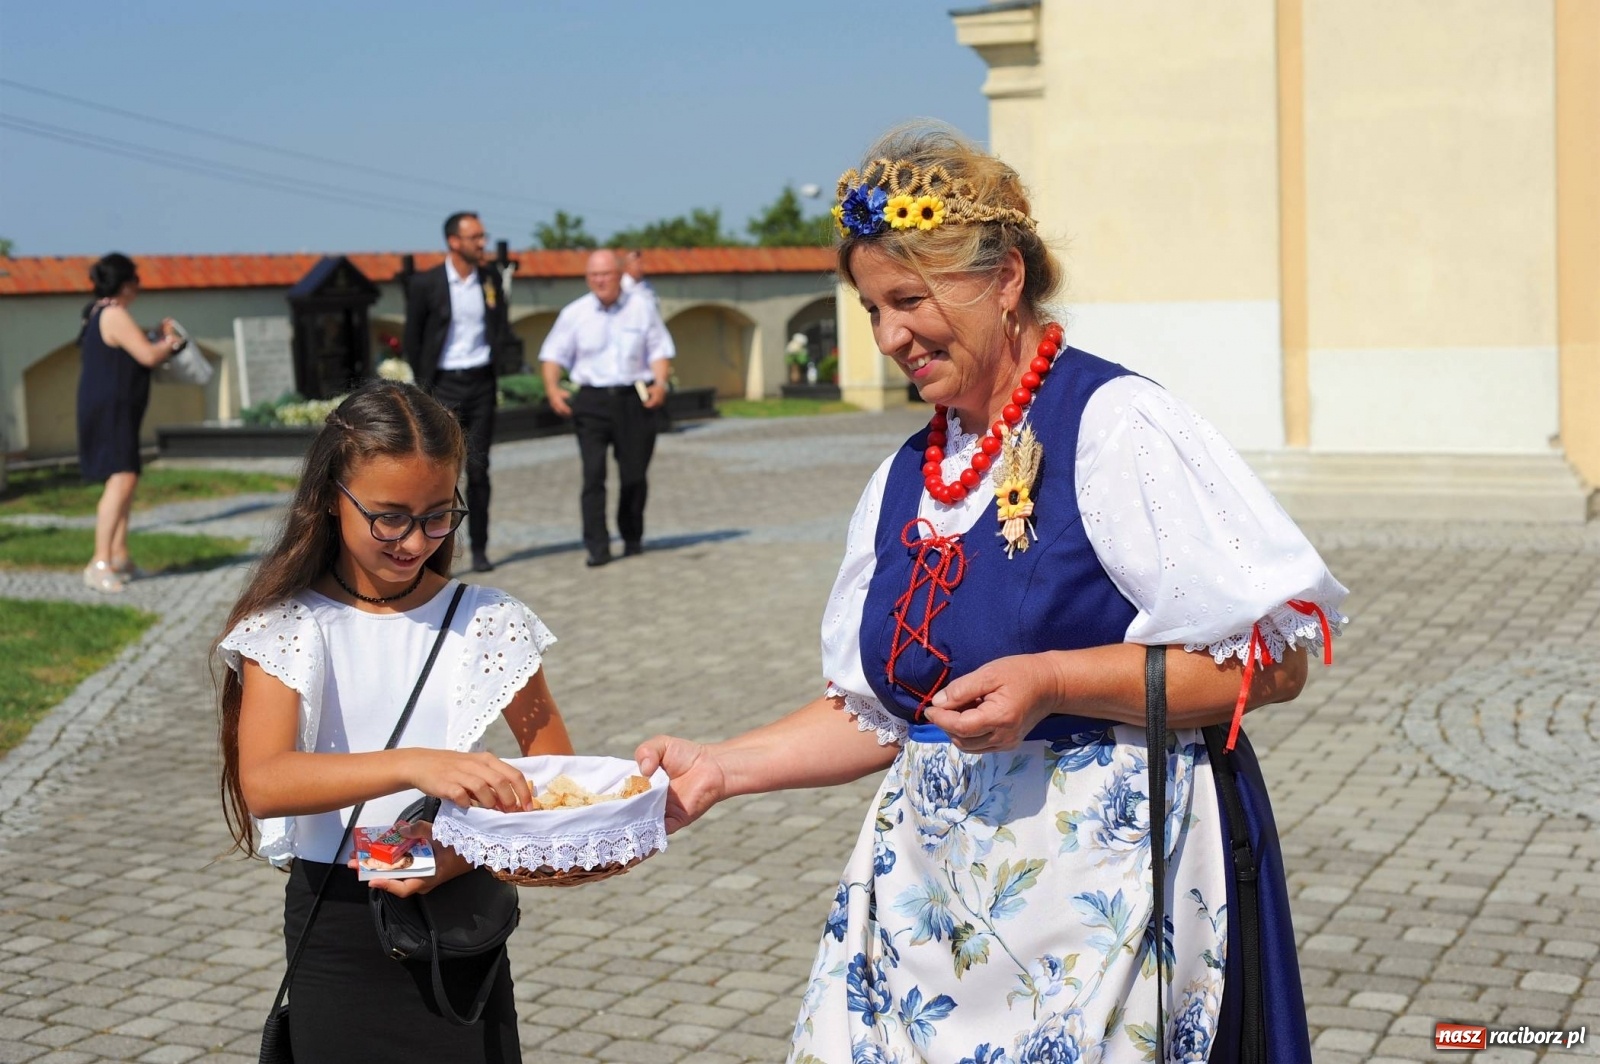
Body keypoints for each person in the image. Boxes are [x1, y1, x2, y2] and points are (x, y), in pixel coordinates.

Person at [635, 124, 1346, 1063]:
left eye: (909, 300)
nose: (890, 336)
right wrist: (723, 769)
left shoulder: (1113, 425)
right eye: (871, 308)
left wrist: (1054, 680)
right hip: (933, 913)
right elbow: (884, 711)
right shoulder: (908, 474)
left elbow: (1273, 661)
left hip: (1108, 907)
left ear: (1005, 278)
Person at [215, 381, 573, 1063]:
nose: (414, 540)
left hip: (457, 922)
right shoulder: (288, 625)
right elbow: (264, 781)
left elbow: (555, 771)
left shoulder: (489, 620)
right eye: (389, 517)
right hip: (337, 921)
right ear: (329, 497)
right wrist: (415, 762)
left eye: (438, 516)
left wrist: (455, 855)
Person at [539, 249, 675, 567]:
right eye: (593, 275)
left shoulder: (642, 307)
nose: (600, 281)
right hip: (591, 402)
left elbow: (659, 348)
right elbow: (552, 354)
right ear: (588, 278)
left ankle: (632, 536)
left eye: (606, 274)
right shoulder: (575, 313)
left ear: (619, 275)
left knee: (634, 475)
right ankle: (597, 546)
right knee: (593, 475)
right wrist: (552, 388)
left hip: (633, 398)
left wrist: (660, 382)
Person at [403, 211, 519, 573]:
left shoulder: (489, 281)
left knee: (480, 468)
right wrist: (423, 383)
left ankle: (482, 548)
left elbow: (498, 326)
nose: (481, 243)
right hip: (443, 385)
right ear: (454, 242)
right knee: (440, 473)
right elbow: (413, 338)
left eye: (483, 237)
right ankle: (439, 552)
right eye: (475, 237)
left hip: (481, 383)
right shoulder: (427, 284)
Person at [76, 253, 185, 593]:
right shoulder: (114, 312)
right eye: (136, 279)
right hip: (113, 409)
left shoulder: (100, 311)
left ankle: (120, 557)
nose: (139, 285)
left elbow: (131, 344)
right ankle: (99, 562)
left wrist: (153, 333)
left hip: (114, 407)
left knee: (127, 477)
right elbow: (147, 355)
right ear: (126, 284)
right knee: (121, 479)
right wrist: (170, 343)